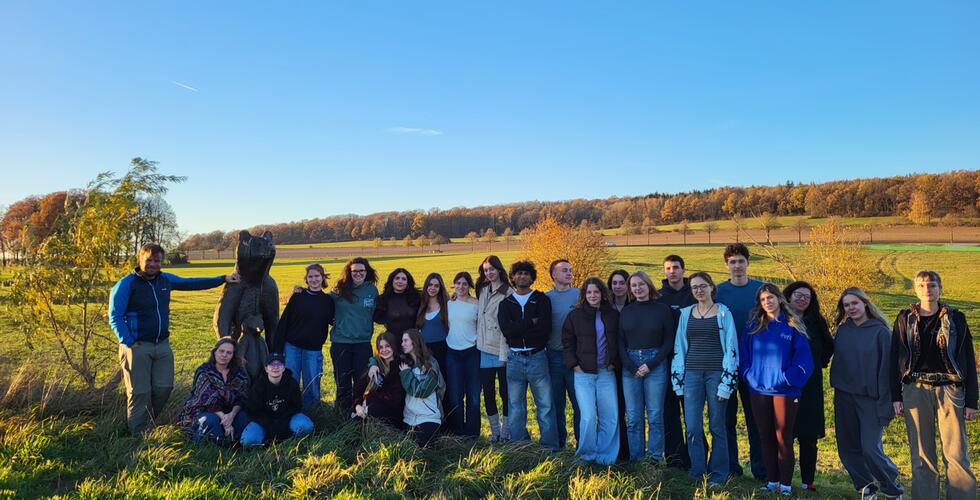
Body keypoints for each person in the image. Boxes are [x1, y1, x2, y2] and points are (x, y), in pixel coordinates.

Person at [109, 243, 239, 435]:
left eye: (157, 260)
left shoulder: (165, 280)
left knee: (164, 388)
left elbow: (192, 283)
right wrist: (129, 341)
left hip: (162, 345)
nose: (153, 264)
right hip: (137, 347)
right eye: (149, 260)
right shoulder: (126, 284)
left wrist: (222, 279)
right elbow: (115, 316)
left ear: (161, 262)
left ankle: (148, 423)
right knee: (139, 393)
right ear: (140, 259)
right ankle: (137, 434)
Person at [891, 270, 977, 500]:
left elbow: (967, 357)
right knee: (921, 454)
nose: (927, 290)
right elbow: (894, 358)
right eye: (921, 285)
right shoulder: (904, 318)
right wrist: (895, 397)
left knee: (956, 453)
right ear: (915, 289)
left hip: (950, 389)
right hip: (915, 388)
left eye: (931, 285)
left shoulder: (955, 318)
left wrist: (971, 401)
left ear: (940, 288)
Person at [740, 284, 813, 496]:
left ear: (779, 299)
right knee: (765, 436)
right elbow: (743, 356)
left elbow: (804, 361)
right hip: (758, 389)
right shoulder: (753, 326)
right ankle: (772, 481)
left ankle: (786, 485)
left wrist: (786, 378)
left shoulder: (793, 326)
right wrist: (748, 375)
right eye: (763, 300)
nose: (767, 302)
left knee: (783, 437)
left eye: (770, 298)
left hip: (785, 391)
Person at [831, 287, 903, 499]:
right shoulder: (843, 330)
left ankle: (892, 488)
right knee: (847, 447)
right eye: (846, 305)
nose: (851, 308)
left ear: (865, 303)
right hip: (844, 396)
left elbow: (887, 371)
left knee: (870, 448)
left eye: (854, 303)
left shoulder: (880, 332)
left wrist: (886, 400)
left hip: (871, 398)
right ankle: (865, 486)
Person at [671, 272, 738, 486]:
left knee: (717, 425)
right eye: (694, 287)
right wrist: (678, 377)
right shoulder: (685, 314)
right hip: (691, 375)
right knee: (692, 426)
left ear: (711, 287)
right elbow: (679, 347)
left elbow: (731, 347)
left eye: (702, 286)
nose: (698, 290)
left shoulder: (723, 314)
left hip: (716, 375)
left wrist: (727, 380)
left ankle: (718, 473)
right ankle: (697, 470)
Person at [715, 243, 766, 480]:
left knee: (755, 418)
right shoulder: (718, 292)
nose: (737, 266)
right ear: (726, 264)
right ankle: (731, 467)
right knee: (726, 419)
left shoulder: (760, 290)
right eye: (732, 261)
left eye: (740, 261)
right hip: (725, 364)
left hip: (753, 364)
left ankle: (760, 468)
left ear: (748, 262)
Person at [497, 260, 558, 450]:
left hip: (537, 357)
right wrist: (530, 322)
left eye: (526, 273)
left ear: (532, 277)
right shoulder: (506, 303)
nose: (522, 276)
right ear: (513, 277)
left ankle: (549, 447)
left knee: (545, 405)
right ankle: (519, 447)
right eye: (518, 273)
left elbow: (544, 330)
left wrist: (520, 327)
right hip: (514, 359)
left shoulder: (541, 300)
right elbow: (507, 331)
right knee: (515, 407)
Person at [561, 277, 620, 465]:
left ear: (602, 294)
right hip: (583, 374)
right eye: (589, 292)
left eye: (596, 292)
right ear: (584, 295)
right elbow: (567, 342)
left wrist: (614, 363)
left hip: (606, 372)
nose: (593, 295)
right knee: (587, 416)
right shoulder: (575, 315)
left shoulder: (612, 314)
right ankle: (586, 455)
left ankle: (606, 457)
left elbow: (620, 341)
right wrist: (574, 365)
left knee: (609, 416)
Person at [782, 281, 834, 492]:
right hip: (783, 384)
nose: (802, 299)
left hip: (810, 386)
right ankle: (781, 479)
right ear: (788, 296)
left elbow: (829, 346)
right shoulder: (779, 319)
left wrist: (817, 363)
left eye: (807, 297)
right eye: (798, 295)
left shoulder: (817, 321)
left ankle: (807, 481)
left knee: (808, 435)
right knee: (784, 434)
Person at [618, 271, 675, 462]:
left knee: (655, 415)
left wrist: (651, 364)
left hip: (656, 363)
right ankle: (636, 459)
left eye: (641, 284)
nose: (637, 288)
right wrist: (630, 366)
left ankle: (655, 459)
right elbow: (619, 341)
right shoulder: (626, 311)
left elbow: (669, 341)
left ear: (648, 285)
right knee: (633, 417)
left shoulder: (662, 309)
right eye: (633, 286)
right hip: (630, 365)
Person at [275, 264, 335, 411]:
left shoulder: (328, 301)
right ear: (306, 280)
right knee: (290, 381)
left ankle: (312, 415)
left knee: (312, 384)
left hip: (313, 350)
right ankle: (288, 411)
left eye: (317, 276)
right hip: (292, 347)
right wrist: (277, 348)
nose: (314, 279)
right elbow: (285, 321)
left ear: (322, 278)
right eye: (310, 277)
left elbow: (334, 321)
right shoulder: (297, 297)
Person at [657, 254, 696, 469]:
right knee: (669, 412)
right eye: (668, 268)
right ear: (664, 271)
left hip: (691, 361)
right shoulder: (658, 296)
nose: (672, 271)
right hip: (665, 361)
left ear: (683, 270)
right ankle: (674, 458)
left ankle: (695, 457)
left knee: (691, 412)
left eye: (676, 267)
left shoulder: (694, 293)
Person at [176, 337, 251, 443]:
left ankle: (237, 445)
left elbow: (242, 398)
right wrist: (225, 419)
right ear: (214, 352)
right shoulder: (204, 371)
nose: (224, 355)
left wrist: (231, 415)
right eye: (221, 351)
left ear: (233, 356)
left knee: (243, 416)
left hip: (229, 412)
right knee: (211, 420)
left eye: (229, 353)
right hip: (203, 410)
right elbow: (205, 400)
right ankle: (211, 446)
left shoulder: (239, 373)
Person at [329, 257, 379, 413]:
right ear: (349, 273)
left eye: (361, 270)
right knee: (342, 383)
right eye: (355, 271)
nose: (358, 273)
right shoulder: (339, 290)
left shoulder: (372, 290)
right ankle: (342, 417)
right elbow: (323, 305)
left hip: (363, 344)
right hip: (341, 342)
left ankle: (358, 416)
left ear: (367, 272)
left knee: (361, 383)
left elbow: (378, 312)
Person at [240, 353, 314, 447]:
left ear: (283, 368)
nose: (275, 367)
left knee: (305, 426)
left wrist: (281, 423)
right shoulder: (258, 385)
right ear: (266, 368)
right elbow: (253, 411)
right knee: (248, 441)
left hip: (286, 419)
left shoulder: (292, 383)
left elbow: (296, 407)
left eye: (279, 364)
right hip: (263, 422)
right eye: (271, 364)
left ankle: (293, 442)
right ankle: (265, 442)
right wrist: (270, 425)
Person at [476, 255, 513, 442]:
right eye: (485, 270)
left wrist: (504, 354)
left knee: (505, 393)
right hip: (483, 349)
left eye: (491, 269)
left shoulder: (508, 292)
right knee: (488, 393)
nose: (489, 273)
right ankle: (495, 432)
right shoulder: (482, 290)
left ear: (499, 269)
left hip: (501, 349)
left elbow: (509, 325)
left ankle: (506, 432)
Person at [545, 259, 580, 449]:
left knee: (579, 404)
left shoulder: (580, 295)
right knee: (557, 404)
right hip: (554, 357)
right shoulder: (546, 298)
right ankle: (559, 444)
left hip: (576, 358)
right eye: (564, 270)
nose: (569, 273)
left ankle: (582, 444)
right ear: (554, 275)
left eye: (570, 270)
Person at [445, 272, 481, 436]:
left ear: (469, 286)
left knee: (473, 396)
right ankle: (458, 432)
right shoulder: (449, 303)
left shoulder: (477, 304)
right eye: (458, 283)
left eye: (464, 283)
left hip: (472, 352)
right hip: (452, 353)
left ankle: (472, 433)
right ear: (454, 285)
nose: (461, 286)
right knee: (455, 396)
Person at [400, 328, 445, 447]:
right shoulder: (405, 362)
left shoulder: (431, 363)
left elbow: (422, 392)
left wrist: (406, 374)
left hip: (428, 417)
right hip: (409, 418)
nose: (402, 344)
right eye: (402, 341)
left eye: (405, 340)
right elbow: (383, 357)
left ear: (414, 342)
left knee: (424, 449)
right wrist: (373, 363)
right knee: (408, 452)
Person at [354, 332, 406, 429]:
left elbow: (396, 399)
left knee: (373, 410)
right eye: (381, 347)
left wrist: (369, 401)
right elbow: (358, 391)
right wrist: (357, 406)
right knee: (356, 418)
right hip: (370, 408)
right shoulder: (374, 366)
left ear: (393, 347)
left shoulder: (400, 366)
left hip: (393, 413)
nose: (384, 350)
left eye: (387, 346)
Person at [607, 269, 632, 460]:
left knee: (633, 409)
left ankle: (634, 451)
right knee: (617, 408)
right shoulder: (606, 308)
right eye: (614, 283)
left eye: (621, 282)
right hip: (612, 365)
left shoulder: (635, 305)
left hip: (633, 362)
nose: (618, 287)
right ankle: (620, 451)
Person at [418, 273, 450, 389]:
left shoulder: (447, 304)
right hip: (426, 351)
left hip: (444, 348)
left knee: (445, 381)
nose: (432, 288)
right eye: (430, 285)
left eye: (436, 286)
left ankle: (448, 407)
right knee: (430, 383)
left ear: (440, 288)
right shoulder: (421, 305)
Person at [374, 268, 422, 336]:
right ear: (392, 281)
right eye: (397, 278)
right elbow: (377, 317)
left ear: (408, 282)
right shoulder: (383, 299)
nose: (400, 281)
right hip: (392, 341)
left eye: (404, 279)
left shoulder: (416, 297)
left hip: (412, 342)